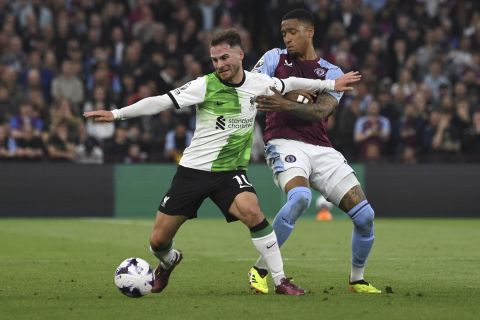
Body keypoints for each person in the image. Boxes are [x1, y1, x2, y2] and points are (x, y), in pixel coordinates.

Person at [84, 29, 360, 296]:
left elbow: (293, 83)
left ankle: (279, 280)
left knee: (254, 213)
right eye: (215, 60)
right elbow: (160, 102)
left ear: (240, 55)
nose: (219, 65)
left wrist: (331, 85)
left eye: (224, 58)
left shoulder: (259, 83)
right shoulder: (204, 85)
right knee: (158, 242)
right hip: (193, 172)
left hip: (230, 173)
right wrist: (116, 114)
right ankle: (169, 261)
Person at [249, 9, 381, 294]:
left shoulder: (332, 73)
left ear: (310, 32)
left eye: (292, 32)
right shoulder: (274, 58)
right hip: (283, 141)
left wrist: (285, 102)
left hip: (322, 148)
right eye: (283, 33)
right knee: (300, 197)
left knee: (365, 216)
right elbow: (253, 90)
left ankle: (357, 280)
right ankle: (260, 270)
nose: (287, 38)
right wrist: (289, 99)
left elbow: (321, 110)